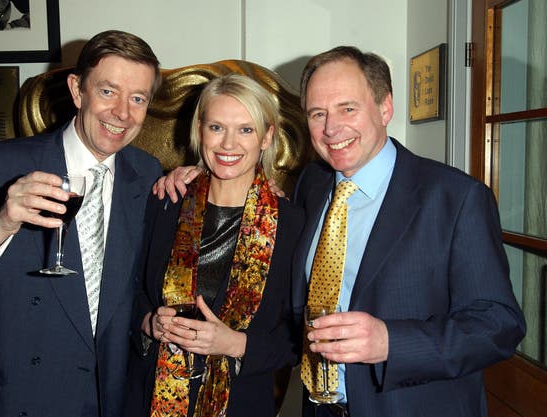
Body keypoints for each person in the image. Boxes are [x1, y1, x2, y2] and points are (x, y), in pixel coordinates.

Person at [155, 46, 526, 417]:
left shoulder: (455, 198)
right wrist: (194, 175)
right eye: (318, 113)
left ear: (384, 108)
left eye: (348, 108)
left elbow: (498, 325)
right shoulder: (313, 185)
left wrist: (390, 342)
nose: (332, 129)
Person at [0, 30, 162, 417]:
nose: (123, 114)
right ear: (78, 91)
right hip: (17, 400)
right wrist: (1, 223)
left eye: (138, 99)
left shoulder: (146, 175)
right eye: (108, 92)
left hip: (107, 402)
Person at [125, 73, 304, 417]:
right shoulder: (165, 202)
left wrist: (236, 344)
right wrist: (149, 323)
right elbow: (126, 292)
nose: (228, 144)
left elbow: (300, 337)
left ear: (267, 137)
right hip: (148, 399)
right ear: (199, 130)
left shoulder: (293, 224)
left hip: (241, 404)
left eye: (246, 130)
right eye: (217, 127)